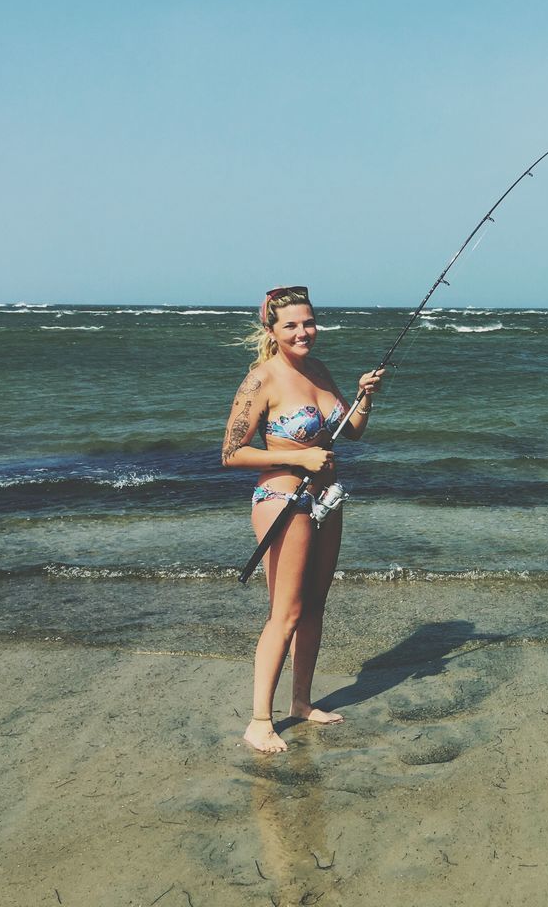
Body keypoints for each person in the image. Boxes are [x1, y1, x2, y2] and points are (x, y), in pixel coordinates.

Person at [222, 285, 384, 753]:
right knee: (286, 612)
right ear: (271, 330)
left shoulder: (318, 370)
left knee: (314, 607)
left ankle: (300, 702)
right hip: (282, 499)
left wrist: (363, 396)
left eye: (308, 322)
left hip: (326, 498)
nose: (302, 332)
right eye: (290, 325)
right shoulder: (261, 379)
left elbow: (349, 431)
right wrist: (305, 459)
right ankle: (258, 721)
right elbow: (231, 453)